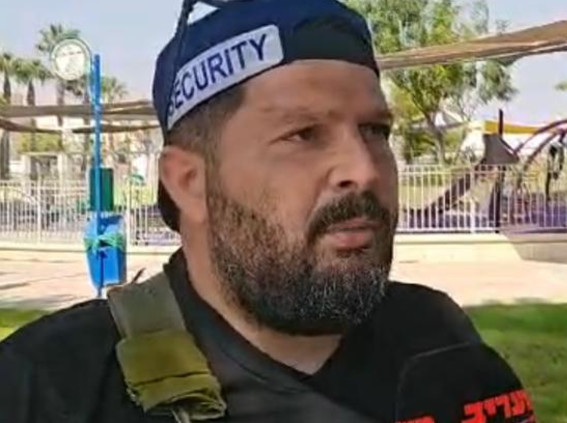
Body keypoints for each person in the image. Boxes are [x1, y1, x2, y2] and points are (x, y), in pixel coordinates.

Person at [0, 1, 536, 422]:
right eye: (303, 134)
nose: (365, 169)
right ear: (189, 182)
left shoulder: (435, 337)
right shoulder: (47, 387)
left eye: (375, 131)